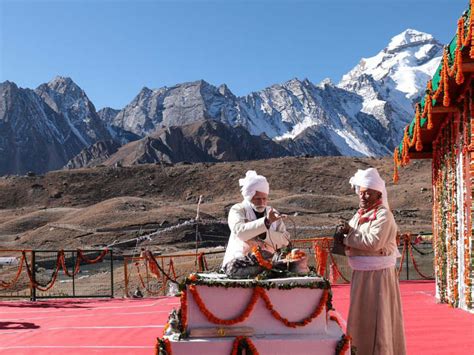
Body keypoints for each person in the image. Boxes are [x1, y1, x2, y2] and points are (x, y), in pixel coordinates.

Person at [338, 168, 406, 355]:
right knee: (361, 320)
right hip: (362, 275)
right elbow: (357, 240)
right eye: (361, 192)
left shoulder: (384, 215)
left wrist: (346, 237)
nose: (364, 196)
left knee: (379, 319)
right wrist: (345, 238)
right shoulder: (359, 215)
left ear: (378, 194)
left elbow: (373, 242)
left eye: (368, 192)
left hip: (378, 278)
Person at [222, 170, 290, 277]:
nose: (261, 202)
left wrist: (264, 235)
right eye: (257, 199)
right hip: (239, 261)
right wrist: (266, 222)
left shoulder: (272, 212)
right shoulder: (238, 210)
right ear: (249, 197)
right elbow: (240, 232)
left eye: (264, 199)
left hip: (269, 262)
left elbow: (285, 240)